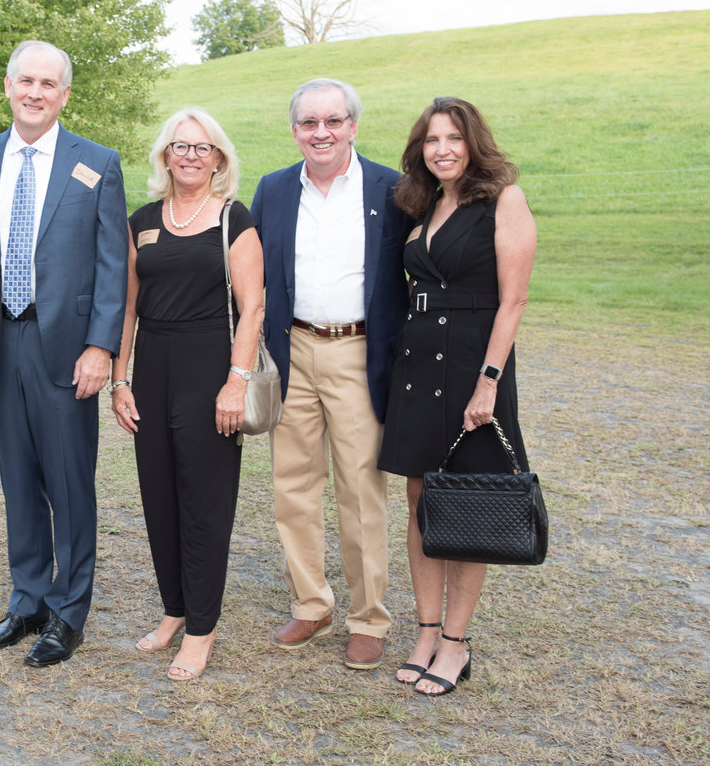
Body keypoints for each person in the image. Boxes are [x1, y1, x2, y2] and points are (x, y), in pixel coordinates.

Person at [0, 40, 128, 667]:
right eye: (25, 80)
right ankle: (26, 599)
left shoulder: (96, 164)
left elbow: (114, 266)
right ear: (7, 86)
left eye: (47, 83)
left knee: (68, 482)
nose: (35, 92)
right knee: (17, 480)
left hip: (66, 347)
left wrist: (100, 347)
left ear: (64, 94)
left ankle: (67, 610)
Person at [378, 96, 536, 697]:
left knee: (467, 504)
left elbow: (513, 300)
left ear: (474, 143)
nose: (441, 149)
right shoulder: (423, 204)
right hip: (418, 363)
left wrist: (489, 380)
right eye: (431, 140)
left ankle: (456, 643)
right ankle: (424, 631)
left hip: (474, 364)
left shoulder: (503, 200)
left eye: (453, 138)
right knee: (422, 499)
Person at [250, 77, 410, 671]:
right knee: (293, 486)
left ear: (353, 127)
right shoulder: (271, 190)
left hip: (358, 352)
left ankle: (368, 618)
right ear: (294, 130)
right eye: (309, 123)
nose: (322, 133)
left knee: (361, 490)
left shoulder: (391, 189)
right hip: (291, 349)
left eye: (334, 121)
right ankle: (311, 604)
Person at [110, 109, 263, 681]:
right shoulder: (143, 220)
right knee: (159, 497)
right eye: (181, 147)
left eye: (203, 148)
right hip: (152, 366)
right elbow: (126, 308)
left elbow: (252, 308)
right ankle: (175, 609)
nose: (191, 156)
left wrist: (235, 381)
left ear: (219, 158)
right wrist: (120, 379)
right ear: (165, 156)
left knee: (204, 502)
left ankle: (202, 628)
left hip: (209, 368)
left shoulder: (233, 219)